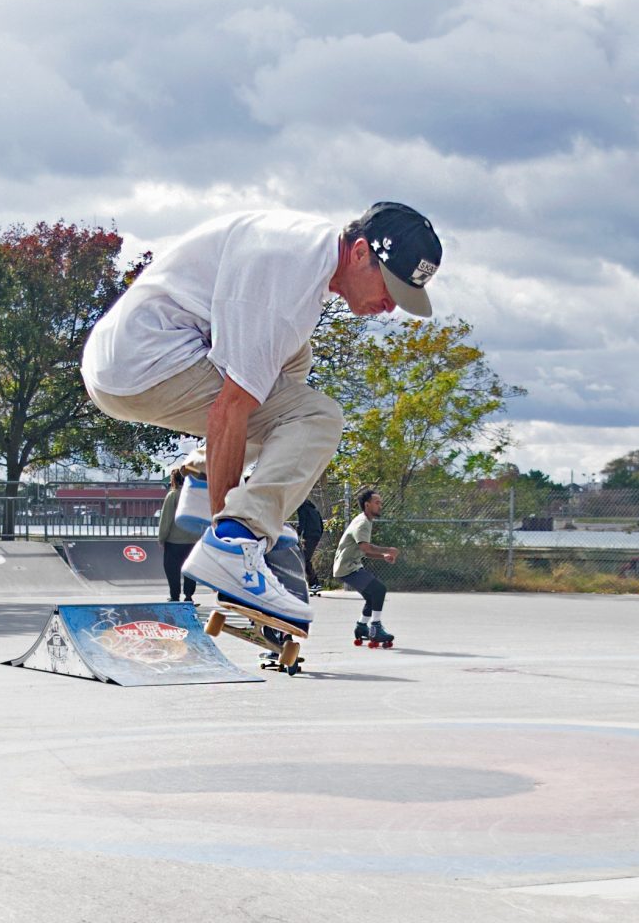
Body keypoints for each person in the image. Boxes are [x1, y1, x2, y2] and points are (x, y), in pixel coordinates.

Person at [79, 202, 442, 632]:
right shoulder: (286, 284)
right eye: (390, 290)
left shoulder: (304, 253)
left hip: (135, 351)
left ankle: (203, 480)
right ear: (361, 252)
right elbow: (229, 411)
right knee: (317, 418)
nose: (389, 307)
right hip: (144, 363)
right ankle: (234, 541)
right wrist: (229, 542)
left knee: (294, 359)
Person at [332, 487, 400, 648]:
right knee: (379, 590)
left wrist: (382, 556)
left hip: (350, 566)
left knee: (372, 597)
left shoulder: (365, 521)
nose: (380, 505)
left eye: (380, 503)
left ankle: (362, 627)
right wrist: (387, 550)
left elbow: (365, 551)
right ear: (367, 505)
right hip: (347, 568)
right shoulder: (362, 523)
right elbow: (366, 548)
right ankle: (375, 627)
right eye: (377, 502)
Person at [157, 462, 200, 601]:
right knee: (190, 569)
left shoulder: (173, 495)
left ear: (174, 480)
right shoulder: (195, 496)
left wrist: (161, 538)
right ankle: (189, 595)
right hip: (193, 540)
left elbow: (166, 519)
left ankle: (174, 595)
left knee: (172, 569)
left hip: (174, 540)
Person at [293, 497, 328, 592]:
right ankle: (314, 583)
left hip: (309, 536)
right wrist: (318, 535)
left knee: (304, 559)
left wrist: (296, 534)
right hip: (315, 535)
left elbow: (302, 522)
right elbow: (321, 524)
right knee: (304, 558)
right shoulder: (313, 508)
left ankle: (314, 583)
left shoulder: (302, 507)